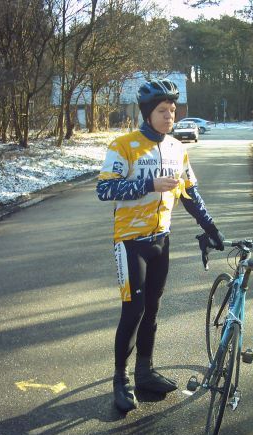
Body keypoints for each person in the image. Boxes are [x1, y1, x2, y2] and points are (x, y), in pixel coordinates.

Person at [96, 79, 224, 412]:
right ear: (147, 113)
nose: (170, 116)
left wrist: (210, 227)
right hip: (130, 242)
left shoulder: (176, 148)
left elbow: (190, 193)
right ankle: (120, 379)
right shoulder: (124, 145)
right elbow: (105, 190)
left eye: (172, 110)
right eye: (162, 111)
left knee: (152, 309)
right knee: (133, 310)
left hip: (160, 239)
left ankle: (145, 371)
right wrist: (148, 183)